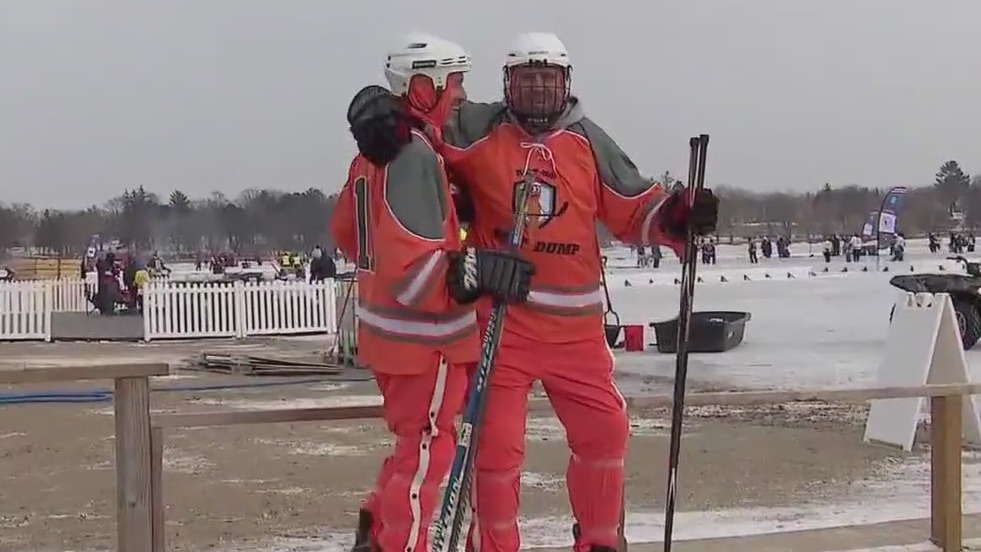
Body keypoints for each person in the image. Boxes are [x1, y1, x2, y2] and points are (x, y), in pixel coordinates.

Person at [435, 32, 718, 552]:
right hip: (504, 325)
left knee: (606, 433)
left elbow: (636, 208)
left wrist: (680, 215)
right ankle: (493, 545)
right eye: (527, 79)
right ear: (508, 84)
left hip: (577, 333)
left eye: (548, 78)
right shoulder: (478, 128)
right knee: (495, 448)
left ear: (566, 83)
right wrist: (382, 117)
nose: (538, 89)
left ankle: (601, 541)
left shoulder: (588, 140)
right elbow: (425, 123)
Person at [330, 34, 535, 552]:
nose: (462, 94)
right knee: (429, 454)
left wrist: (452, 213)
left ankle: (377, 531)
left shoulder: (377, 150)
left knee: (413, 448)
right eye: (456, 82)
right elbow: (418, 273)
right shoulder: (413, 153)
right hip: (427, 343)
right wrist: (477, 270)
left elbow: (350, 235)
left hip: (388, 339)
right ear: (424, 86)